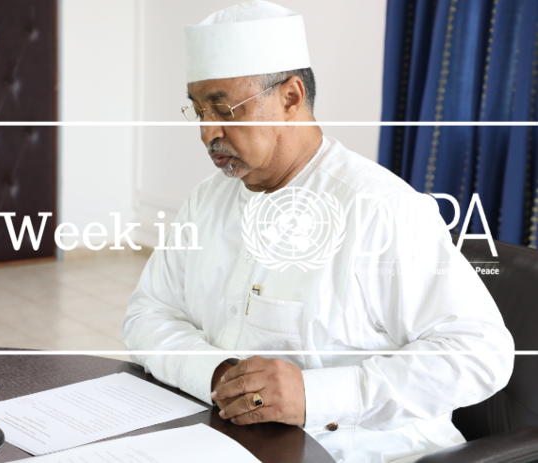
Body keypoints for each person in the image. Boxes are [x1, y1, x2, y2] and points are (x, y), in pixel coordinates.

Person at [122, 1, 514, 461]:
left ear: (290, 98)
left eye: (224, 109)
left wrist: (316, 395)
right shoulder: (207, 201)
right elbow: (148, 314)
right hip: (225, 443)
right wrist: (219, 373)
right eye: (199, 110)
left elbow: (480, 354)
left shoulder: (381, 209)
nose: (208, 133)